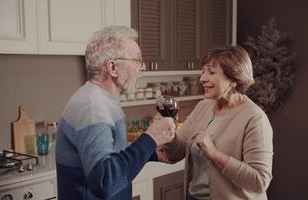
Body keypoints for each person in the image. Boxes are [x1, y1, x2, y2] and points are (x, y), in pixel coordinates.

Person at [55, 26, 175, 200]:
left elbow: (111, 157)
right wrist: (151, 137)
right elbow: (105, 181)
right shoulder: (93, 107)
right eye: (137, 60)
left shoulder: (103, 99)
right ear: (112, 67)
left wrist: (150, 152)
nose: (142, 67)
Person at [159, 45, 273, 200]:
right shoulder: (203, 106)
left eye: (211, 72)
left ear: (234, 79)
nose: (202, 78)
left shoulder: (254, 119)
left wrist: (214, 153)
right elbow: (176, 152)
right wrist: (168, 132)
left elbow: (260, 181)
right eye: (203, 71)